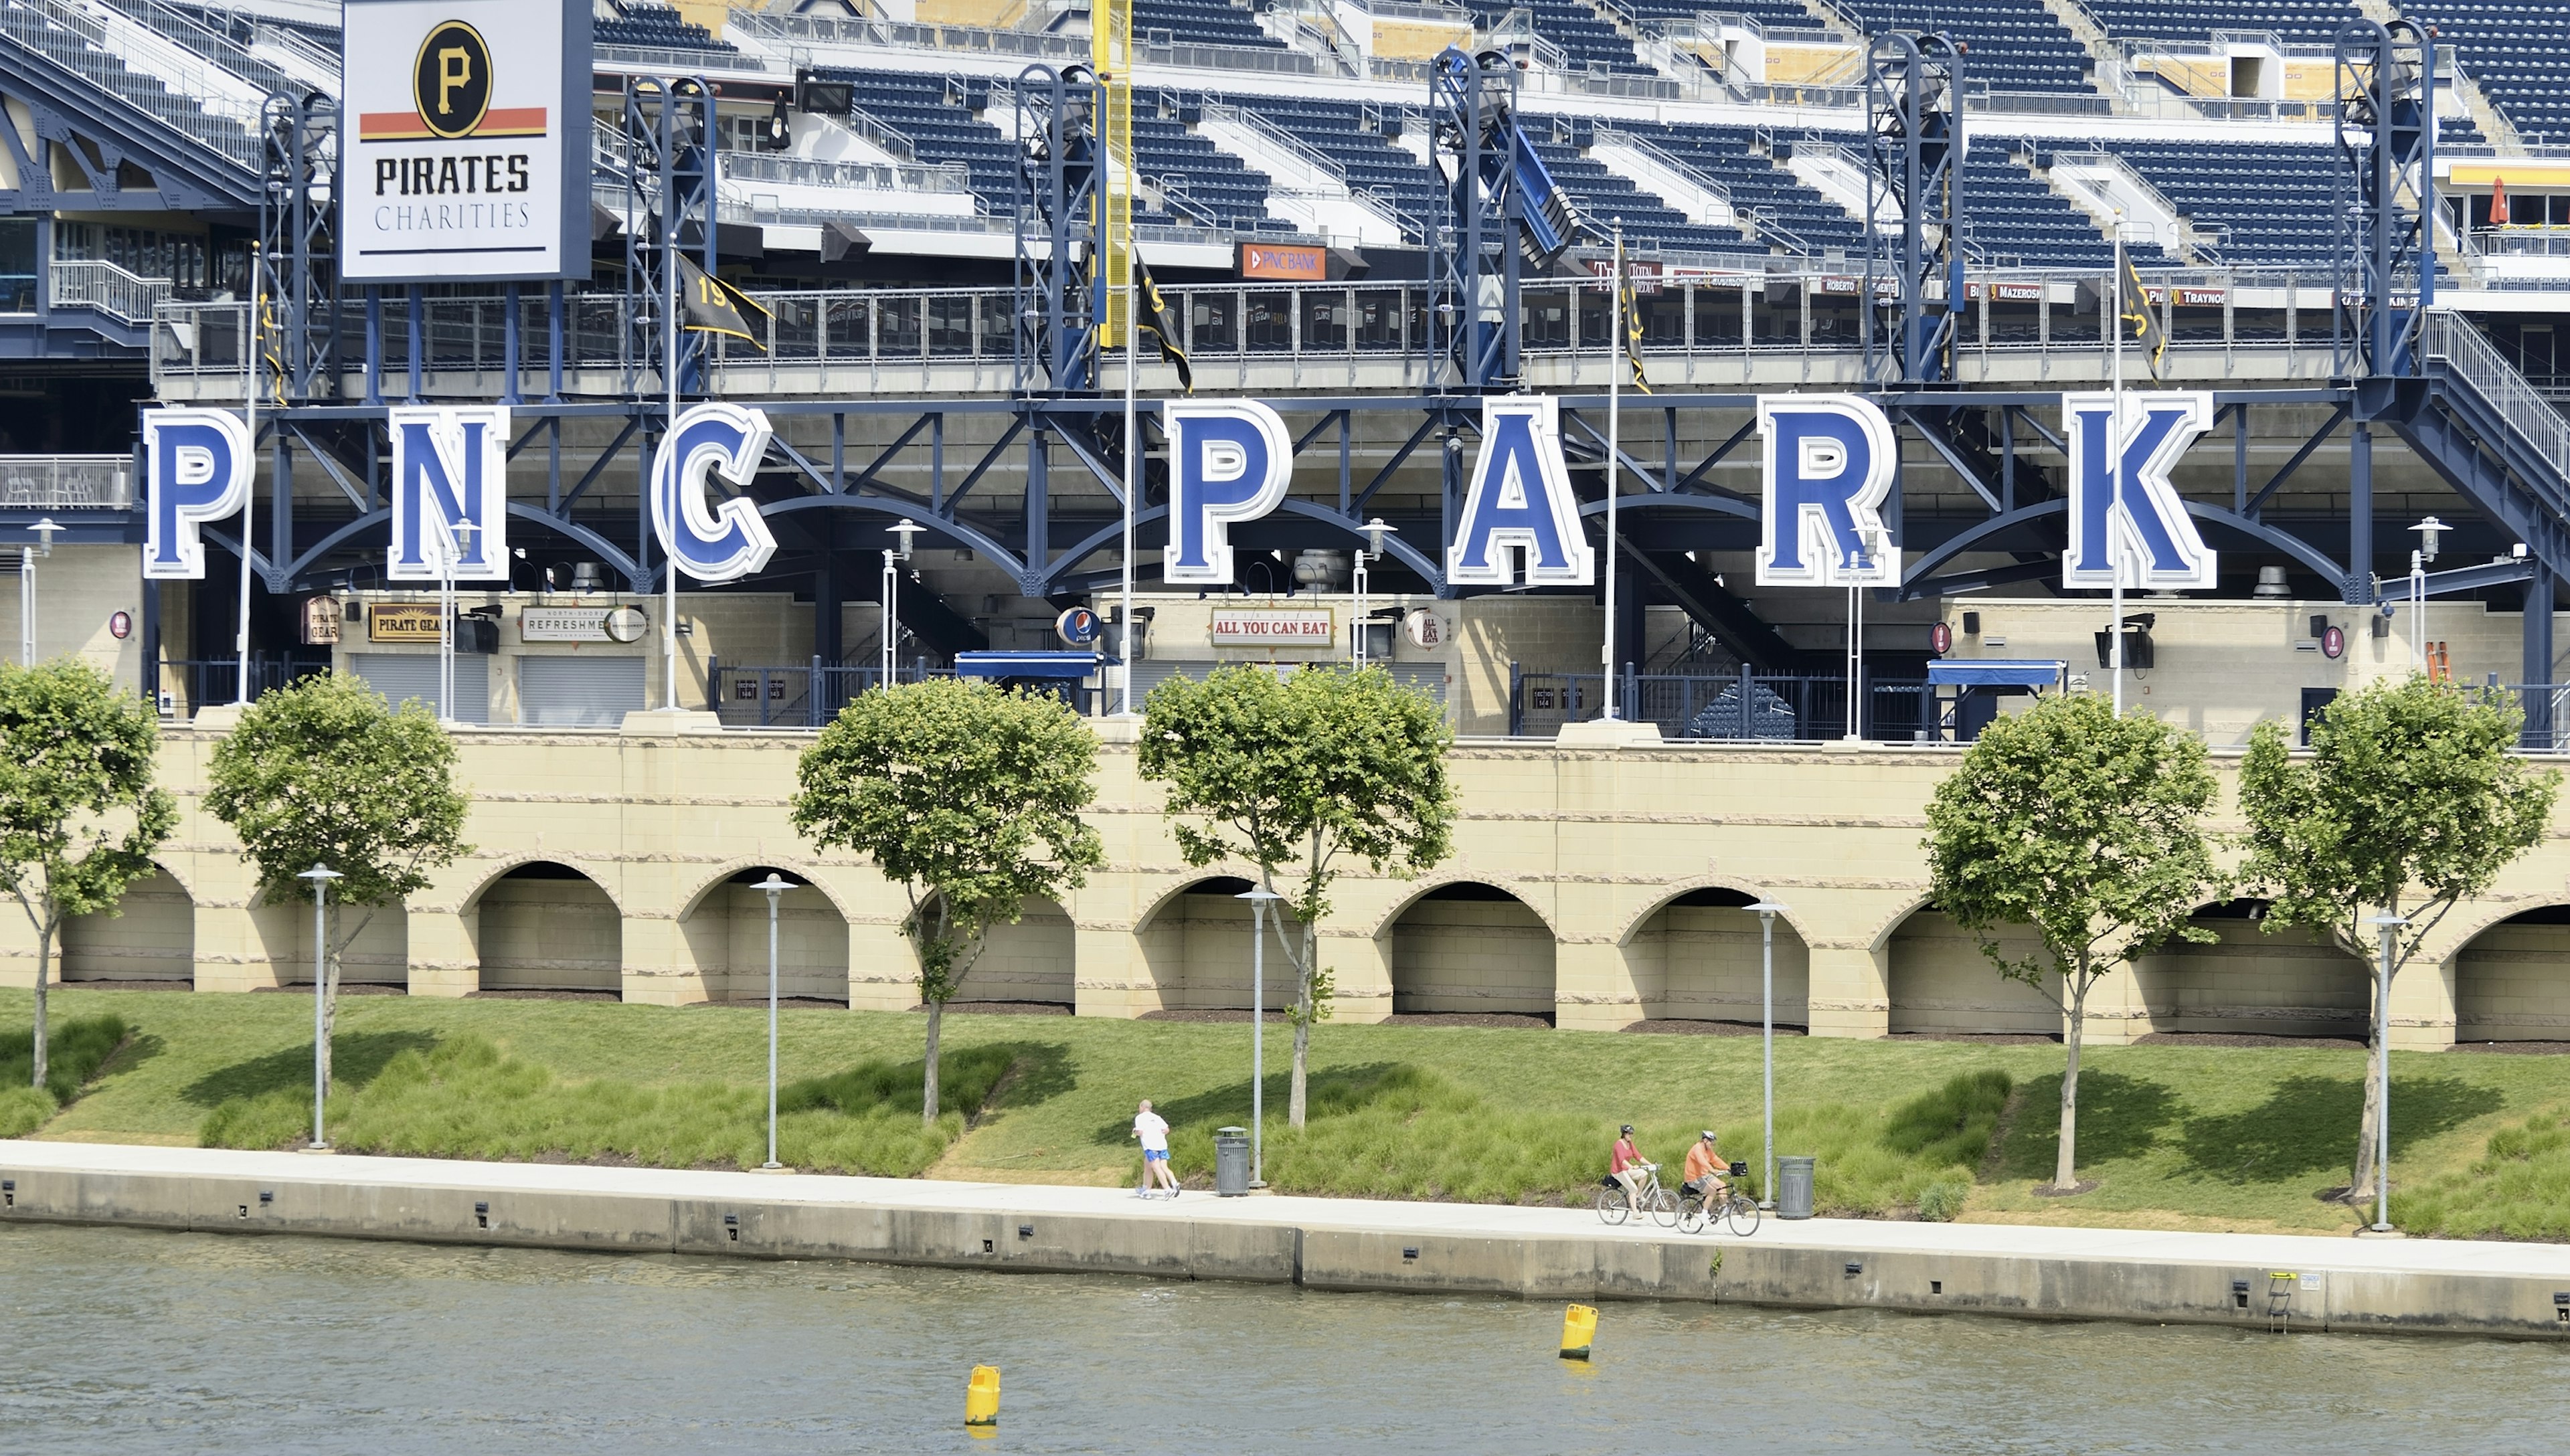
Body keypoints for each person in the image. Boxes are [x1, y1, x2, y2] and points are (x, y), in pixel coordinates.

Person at [1132, 1099, 1181, 1199]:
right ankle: (1147, 1189)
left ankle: (1167, 1189)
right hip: (1161, 1145)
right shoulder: (1157, 1117)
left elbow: (1140, 1132)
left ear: (1142, 1107)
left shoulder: (1140, 1118)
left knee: (1156, 1167)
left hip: (1150, 1146)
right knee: (1148, 1166)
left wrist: (1135, 1131)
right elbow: (1166, 1130)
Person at [1609, 1123, 1650, 1212]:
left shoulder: (1630, 1144)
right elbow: (1621, 1160)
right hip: (1618, 1171)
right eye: (1629, 1134)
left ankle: (1638, 1195)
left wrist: (1650, 1164)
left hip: (1626, 1170)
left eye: (1632, 1134)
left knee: (1644, 1174)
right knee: (1633, 1189)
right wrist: (1632, 1167)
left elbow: (1638, 1156)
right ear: (1624, 1134)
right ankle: (1635, 1212)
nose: (1631, 1135)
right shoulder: (1618, 1144)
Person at [1681, 1130, 1728, 1205]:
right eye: (1711, 1142)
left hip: (1704, 1175)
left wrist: (1728, 1168)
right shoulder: (1697, 1149)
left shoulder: (1708, 1150)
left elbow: (1716, 1160)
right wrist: (1712, 1170)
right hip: (1694, 1178)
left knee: (1722, 1185)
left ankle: (1725, 1209)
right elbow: (1702, 1161)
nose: (1712, 1144)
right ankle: (1704, 1214)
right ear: (1705, 1140)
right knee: (1712, 1191)